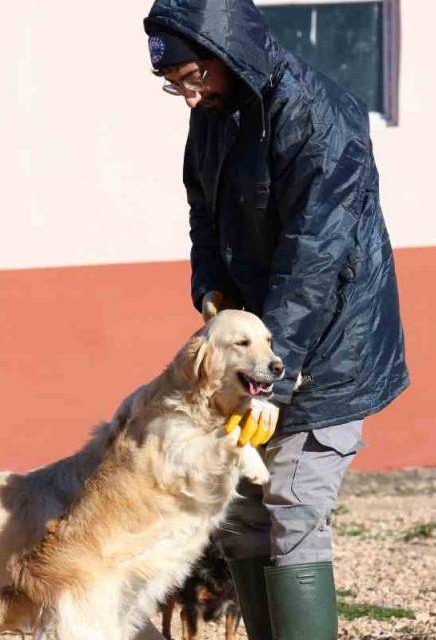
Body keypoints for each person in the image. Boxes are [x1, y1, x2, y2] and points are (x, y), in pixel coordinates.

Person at [142, 1, 410, 638]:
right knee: (240, 517)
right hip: (256, 354)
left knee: (293, 507)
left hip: (327, 349)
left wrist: (274, 382)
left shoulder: (320, 119)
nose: (186, 97)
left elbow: (314, 258)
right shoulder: (212, 114)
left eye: (192, 77)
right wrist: (209, 290)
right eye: (172, 85)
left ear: (229, 52)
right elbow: (202, 215)